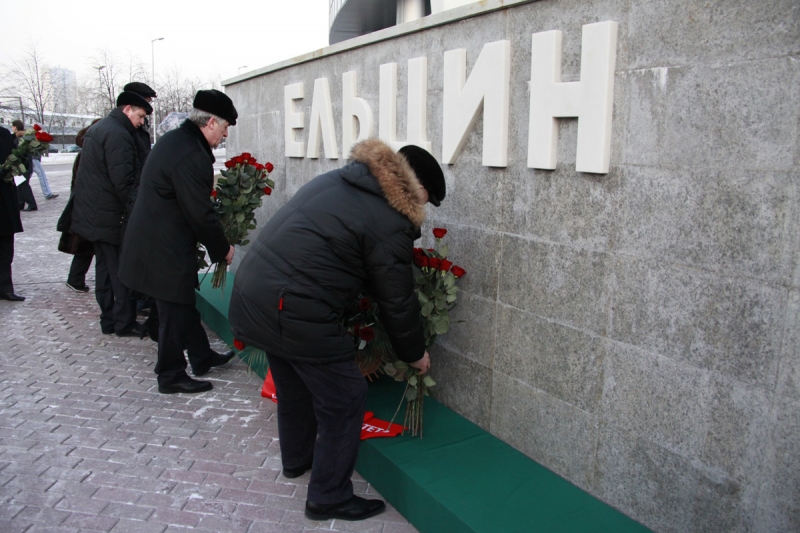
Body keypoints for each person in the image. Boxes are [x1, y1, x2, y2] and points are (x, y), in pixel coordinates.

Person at [227, 139, 445, 521]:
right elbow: (397, 300)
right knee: (345, 396)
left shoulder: (343, 181)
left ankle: (297, 460)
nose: (425, 207)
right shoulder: (389, 218)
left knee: (294, 385)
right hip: (293, 307)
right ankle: (328, 496)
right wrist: (414, 353)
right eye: (429, 199)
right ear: (418, 187)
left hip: (256, 292)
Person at [119, 89, 238, 394]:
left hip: (156, 240)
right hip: (162, 246)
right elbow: (200, 212)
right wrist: (222, 249)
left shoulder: (178, 140)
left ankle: (201, 356)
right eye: (225, 127)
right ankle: (170, 375)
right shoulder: (191, 153)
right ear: (211, 122)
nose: (225, 135)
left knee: (182, 305)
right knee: (174, 311)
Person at [70, 91, 152, 337]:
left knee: (105, 270)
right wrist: (138, 212)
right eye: (140, 116)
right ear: (127, 109)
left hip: (95, 215)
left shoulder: (101, 128)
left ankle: (109, 320)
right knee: (119, 272)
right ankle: (124, 322)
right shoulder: (118, 134)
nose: (141, 122)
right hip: (110, 216)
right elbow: (124, 181)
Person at [57, 120, 100, 292]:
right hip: (87, 204)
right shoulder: (89, 154)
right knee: (85, 244)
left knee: (85, 244)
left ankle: (75, 278)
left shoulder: (85, 152)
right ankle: (75, 278)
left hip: (82, 202)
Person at [0, 125, 25, 301]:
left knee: (5, 248)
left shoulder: (3, 134)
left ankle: (5, 287)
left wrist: (22, 154)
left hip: (4, 199)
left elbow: (16, 161)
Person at [11, 120, 37, 212]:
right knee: (20, 185)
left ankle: (32, 204)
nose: (12, 128)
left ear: (15, 127)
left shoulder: (22, 138)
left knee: (24, 185)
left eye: (12, 126)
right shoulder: (21, 137)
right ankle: (20, 204)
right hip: (22, 165)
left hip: (23, 165)